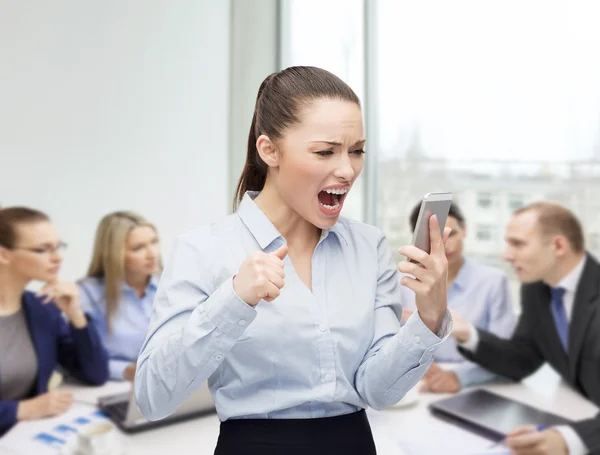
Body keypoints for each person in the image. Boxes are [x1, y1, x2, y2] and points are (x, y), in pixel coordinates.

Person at [134, 66, 453, 455]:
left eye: (356, 151)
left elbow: (377, 390)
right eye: (325, 151)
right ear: (269, 150)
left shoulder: (369, 247)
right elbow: (153, 397)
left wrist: (430, 315)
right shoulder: (204, 250)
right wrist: (233, 299)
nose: (347, 169)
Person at [452, 202, 600, 455]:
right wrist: (468, 334)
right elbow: (524, 358)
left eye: (517, 243)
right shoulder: (536, 289)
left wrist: (570, 440)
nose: (506, 256)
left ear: (559, 246)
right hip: (577, 411)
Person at [0, 207, 108, 436]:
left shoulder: (42, 308)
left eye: (59, 246)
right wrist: (21, 409)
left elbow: (95, 375)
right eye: (43, 250)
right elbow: (27, 409)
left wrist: (76, 315)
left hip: (22, 438)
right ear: (3, 254)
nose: (58, 257)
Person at [401, 201, 515, 393]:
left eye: (452, 234)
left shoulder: (494, 282)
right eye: (434, 237)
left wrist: (460, 377)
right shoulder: (404, 284)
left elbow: (506, 354)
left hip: (477, 384)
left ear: (465, 230)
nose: (446, 244)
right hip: (416, 384)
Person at [78, 211, 161, 381]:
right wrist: (127, 370)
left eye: (154, 242)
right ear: (113, 254)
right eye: (138, 248)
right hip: (114, 387)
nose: (151, 254)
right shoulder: (86, 294)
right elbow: (80, 360)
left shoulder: (170, 287)